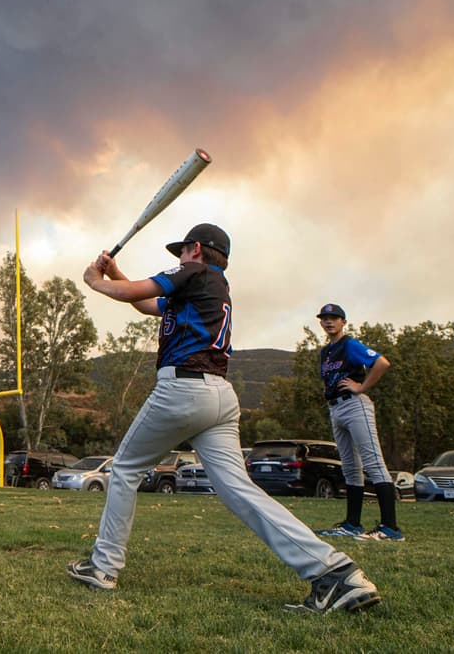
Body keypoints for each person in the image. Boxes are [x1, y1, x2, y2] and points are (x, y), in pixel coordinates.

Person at [67, 223, 380, 614]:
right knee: (239, 490)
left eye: (182, 251)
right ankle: (335, 572)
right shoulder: (209, 286)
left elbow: (133, 293)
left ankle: (103, 567)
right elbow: (146, 303)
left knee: (126, 469)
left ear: (196, 249)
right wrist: (115, 272)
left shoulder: (194, 272)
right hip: (218, 396)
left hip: (182, 389)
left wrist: (95, 280)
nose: (178, 258)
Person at [312, 303, 403, 542]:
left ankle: (390, 528)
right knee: (350, 468)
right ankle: (352, 524)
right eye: (325, 318)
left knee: (373, 462)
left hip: (355, 405)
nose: (329, 321)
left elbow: (382, 363)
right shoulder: (326, 352)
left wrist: (362, 387)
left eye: (334, 318)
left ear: (343, 322)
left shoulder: (349, 345)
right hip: (336, 408)